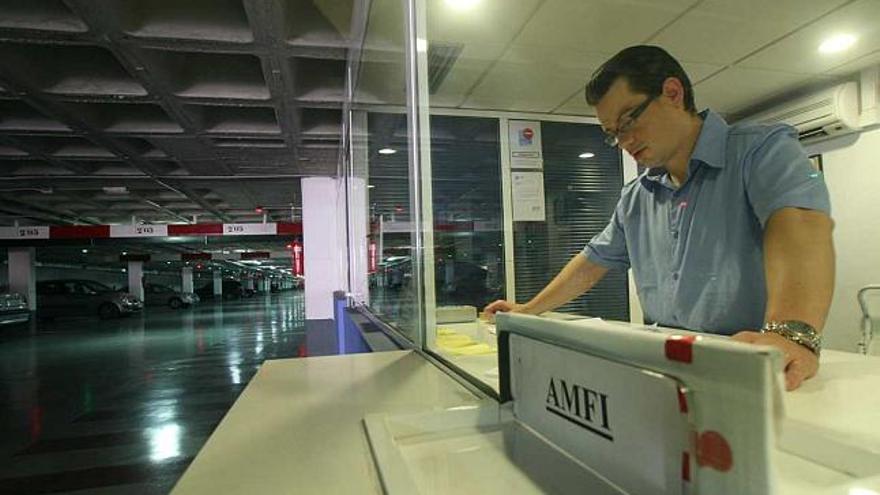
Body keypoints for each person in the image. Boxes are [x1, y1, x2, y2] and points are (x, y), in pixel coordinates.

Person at [483, 45, 835, 391]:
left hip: (751, 367)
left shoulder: (759, 150)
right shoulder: (637, 196)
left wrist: (791, 334)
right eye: (612, 133)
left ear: (672, 93)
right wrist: (528, 310)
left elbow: (800, 225)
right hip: (668, 368)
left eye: (628, 121)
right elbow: (592, 262)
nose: (623, 140)